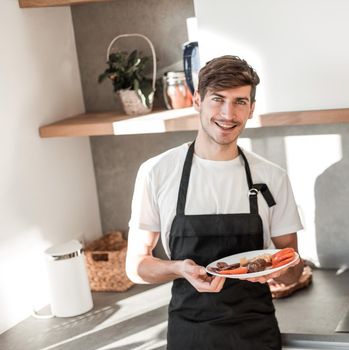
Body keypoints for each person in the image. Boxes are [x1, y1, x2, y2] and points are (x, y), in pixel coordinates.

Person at [126, 55, 304, 350]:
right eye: (217, 99)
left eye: (240, 102)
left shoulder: (273, 177)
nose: (227, 113)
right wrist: (178, 269)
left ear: (251, 109)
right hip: (189, 333)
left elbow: (293, 261)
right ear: (197, 100)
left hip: (256, 333)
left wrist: (281, 272)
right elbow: (136, 266)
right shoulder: (156, 172)